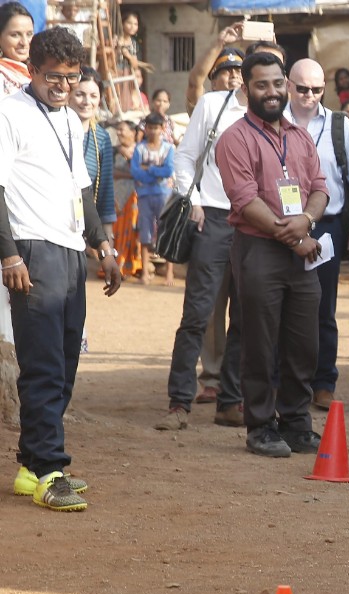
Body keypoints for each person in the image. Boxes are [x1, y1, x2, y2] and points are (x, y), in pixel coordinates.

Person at [0, 26, 121, 511]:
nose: (63, 87)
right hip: (32, 249)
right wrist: (9, 254)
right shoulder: (9, 113)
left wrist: (105, 246)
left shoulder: (72, 120)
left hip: (71, 251)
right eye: (53, 77)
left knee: (67, 358)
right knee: (44, 364)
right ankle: (52, 470)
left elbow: (81, 192)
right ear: (32, 71)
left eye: (71, 78)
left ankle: (31, 465)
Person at [213, 52, 326, 457]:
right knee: (259, 341)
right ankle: (260, 425)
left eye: (278, 83)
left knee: (303, 343)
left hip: (301, 250)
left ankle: (296, 423)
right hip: (259, 249)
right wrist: (295, 237)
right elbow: (244, 201)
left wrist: (308, 221)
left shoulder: (300, 137)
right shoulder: (234, 139)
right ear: (246, 90)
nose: (273, 92)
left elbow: (319, 186)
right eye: (262, 85)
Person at [156, 62, 249, 431]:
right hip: (210, 218)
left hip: (256, 225)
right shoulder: (214, 105)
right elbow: (184, 156)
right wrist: (191, 197)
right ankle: (179, 403)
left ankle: (231, 402)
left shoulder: (279, 110)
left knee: (245, 318)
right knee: (197, 315)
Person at [284, 58, 349, 409]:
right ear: (288, 85)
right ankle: (282, 381)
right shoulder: (275, 122)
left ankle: (322, 382)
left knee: (323, 307)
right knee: (280, 306)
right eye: (302, 88)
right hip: (282, 226)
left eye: (316, 89)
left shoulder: (339, 125)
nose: (309, 95)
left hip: (328, 227)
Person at [131, 112, 174, 286]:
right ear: (146, 128)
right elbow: (135, 172)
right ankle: (144, 273)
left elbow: (169, 171)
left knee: (166, 231)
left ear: (162, 129)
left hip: (164, 194)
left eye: (156, 128)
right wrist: (157, 170)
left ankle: (169, 274)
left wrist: (148, 169)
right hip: (145, 195)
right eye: (150, 127)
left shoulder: (169, 148)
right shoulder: (139, 148)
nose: (153, 131)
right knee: (145, 232)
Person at [71, 68, 114, 233]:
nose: (86, 101)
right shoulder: (54, 131)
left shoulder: (102, 138)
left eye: (93, 96)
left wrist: (106, 232)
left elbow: (105, 188)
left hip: (87, 226)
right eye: (80, 94)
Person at [186, 22, 245, 113]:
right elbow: (194, 83)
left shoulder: (252, 107)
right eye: (227, 71)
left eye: (238, 71)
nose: (234, 75)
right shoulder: (206, 105)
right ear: (214, 83)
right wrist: (220, 43)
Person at [111, 119, 142, 279]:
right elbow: (110, 172)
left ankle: (130, 265)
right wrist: (132, 174)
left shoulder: (141, 150)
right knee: (116, 230)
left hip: (135, 197)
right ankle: (116, 265)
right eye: (118, 130)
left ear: (133, 132)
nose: (119, 133)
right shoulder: (113, 151)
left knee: (133, 228)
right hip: (117, 196)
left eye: (122, 129)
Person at [0, 1, 33, 97]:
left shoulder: (36, 69)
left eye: (29, 34)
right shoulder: (2, 74)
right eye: (15, 35)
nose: (24, 42)